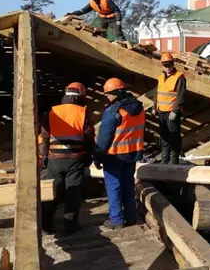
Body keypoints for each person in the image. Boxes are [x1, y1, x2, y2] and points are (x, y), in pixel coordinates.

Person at [38, 82, 94, 234]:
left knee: (52, 191)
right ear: (81, 96)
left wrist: (44, 155)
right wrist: (89, 155)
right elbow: (89, 137)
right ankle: (70, 225)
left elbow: (44, 136)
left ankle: (45, 225)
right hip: (76, 158)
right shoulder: (83, 112)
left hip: (55, 158)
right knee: (73, 192)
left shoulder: (53, 112)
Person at [95, 77, 145, 230]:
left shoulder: (114, 111)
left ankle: (116, 220)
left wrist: (97, 157)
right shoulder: (139, 108)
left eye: (109, 94)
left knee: (114, 187)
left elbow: (104, 138)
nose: (107, 97)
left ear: (116, 93)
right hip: (132, 154)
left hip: (114, 156)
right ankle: (131, 217)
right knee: (128, 185)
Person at [155, 52, 186, 164]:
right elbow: (158, 92)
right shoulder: (160, 77)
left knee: (174, 136)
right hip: (161, 111)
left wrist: (175, 111)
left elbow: (181, 96)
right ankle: (165, 158)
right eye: (165, 65)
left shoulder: (179, 77)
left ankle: (174, 159)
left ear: (173, 64)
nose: (167, 67)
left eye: (169, 64)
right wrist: (155, 107)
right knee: (164, 136)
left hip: (171, 112)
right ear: (162, 65)